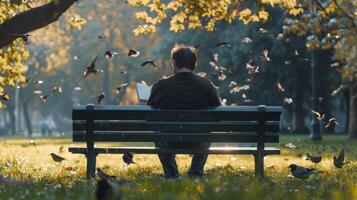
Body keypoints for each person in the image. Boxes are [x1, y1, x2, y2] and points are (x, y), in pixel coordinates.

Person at [147, 44, 221, 178]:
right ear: (194, 64)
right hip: (198, 140)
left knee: (158, 134)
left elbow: (149, 117)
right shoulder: (206, 85)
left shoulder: (161, 85)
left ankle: (171, 173)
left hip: (169, 139)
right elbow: (218, 115)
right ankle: (196, 171)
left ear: (174, 63)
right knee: (207, 132)